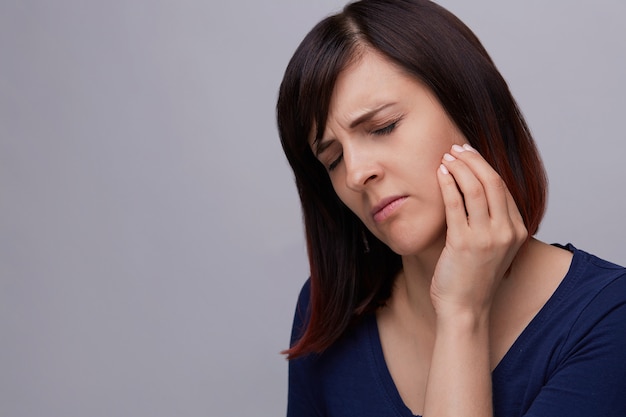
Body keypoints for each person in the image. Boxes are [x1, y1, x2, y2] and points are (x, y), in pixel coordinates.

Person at [275, 1, 626, 416]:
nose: (355, 174)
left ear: (469, 107)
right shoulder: (329, 309)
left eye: (383, 127)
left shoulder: (609, 320)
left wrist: (462, 314)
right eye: (333, 159)